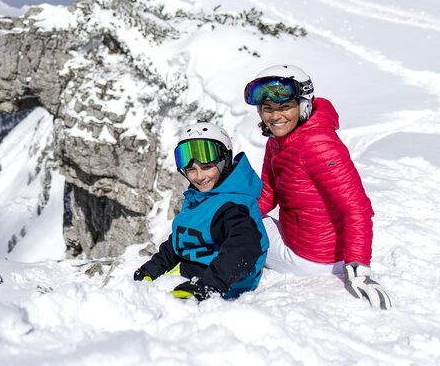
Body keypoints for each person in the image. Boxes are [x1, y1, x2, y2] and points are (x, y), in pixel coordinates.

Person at [243, 64, 392, 309]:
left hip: (312, 260)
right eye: (267, 109)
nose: (275, 116)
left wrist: (359, 269)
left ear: (304, 105)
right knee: (234, 215)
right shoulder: (279, 141)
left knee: (231, 225)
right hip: (303, 243)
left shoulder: (319, 146)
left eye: (285, 107)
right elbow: (269, 194)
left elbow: (357, 209)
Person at [133, 122, 269, 300]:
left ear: (224, 162)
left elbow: (244, 246)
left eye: (206, 167)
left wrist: (207, 285)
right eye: (191, 170)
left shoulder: (231, 206)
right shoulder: (200, 197)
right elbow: (181, 239)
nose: (199, 176)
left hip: (225, 283)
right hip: (199, 275)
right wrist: (151, 269)